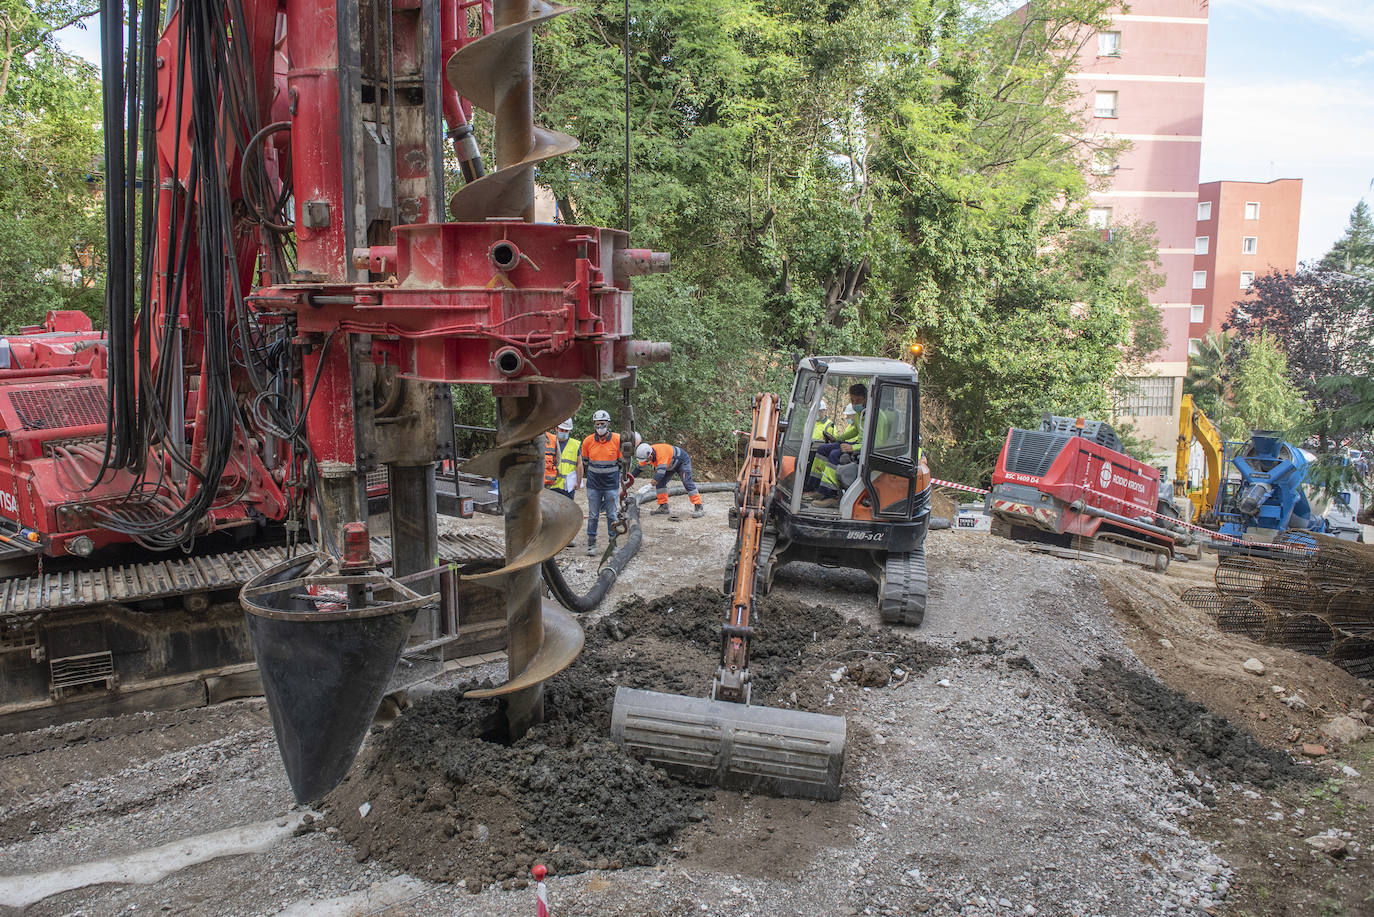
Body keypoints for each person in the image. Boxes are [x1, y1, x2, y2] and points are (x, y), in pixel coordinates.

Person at [807, 384, 867, 504]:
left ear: (865, 399)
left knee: (835, 454)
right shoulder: (860, 413)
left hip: (863, 448)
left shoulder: (873, 414)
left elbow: (874, 444)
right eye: (852, 400)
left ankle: (830, 495)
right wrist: (838, 439)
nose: (855, 404)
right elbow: (855, 430)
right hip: (857, 443)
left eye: (858, 400)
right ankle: (815, 488)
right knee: (823, 449)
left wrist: (852, 447)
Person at [579, 410, 621, 555]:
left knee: (612, 515)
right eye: (597, 424)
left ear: (608, 424)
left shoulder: (617, 440)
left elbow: (622, 461)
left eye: (602, 424)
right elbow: (585, 461)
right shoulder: (588, 441)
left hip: (611, 485)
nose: (600, 427)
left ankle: (613, 544)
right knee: (593, 516)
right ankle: (591, 544)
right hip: (594, 485)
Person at [633, 441, 703, 516]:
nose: (646, 462)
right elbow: (638, 469)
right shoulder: (645, 454)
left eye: (646, 460)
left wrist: (649, 486)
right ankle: (663, 506)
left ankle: (698, 506)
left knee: (687, 481)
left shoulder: (661, 453)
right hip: (670, 464)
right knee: (660, 483)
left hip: (682, 461)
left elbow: (660, 474)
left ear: (650, 456)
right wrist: (629, 478)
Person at [548, 418, 581, 497]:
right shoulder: (548, 442)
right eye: (562, 430)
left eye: (566, 431)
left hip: (567, 487)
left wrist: (578, 482)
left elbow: (579, 465)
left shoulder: (575, 444)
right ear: (556, 428)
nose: (564, 432)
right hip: (550, 485)